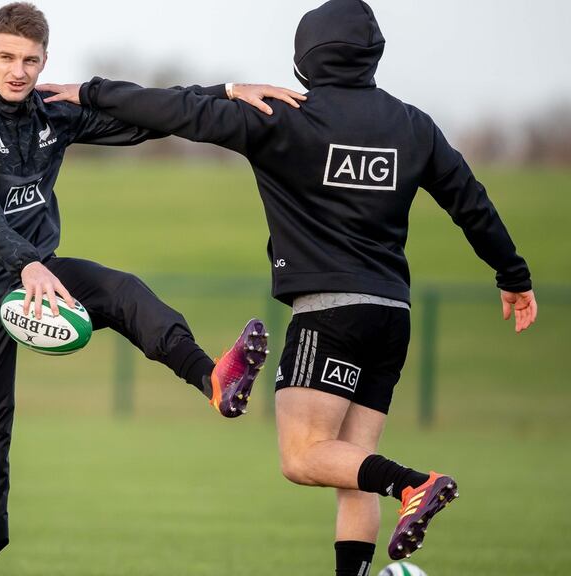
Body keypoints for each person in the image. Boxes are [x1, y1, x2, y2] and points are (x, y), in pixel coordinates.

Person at [39, 0, 538, 573]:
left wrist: (91, 92)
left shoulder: (281, 114)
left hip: (329, 314)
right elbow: (469, 202)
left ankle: (413, 485)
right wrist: (513, 275)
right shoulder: (413, 124)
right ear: (373, 55)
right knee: (352, 463)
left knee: (303, 457)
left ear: (304, 60)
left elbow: (177, 111)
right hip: (391, 316)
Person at [0, 4, 302, 574]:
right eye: (5, 57)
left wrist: (226, 91)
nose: (18, 71)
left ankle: (212, 379)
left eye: (30, 59)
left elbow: (149, 116)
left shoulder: (51, 110)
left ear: (45, 60)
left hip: (36, 276)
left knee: (122, 292)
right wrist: (27, 262)